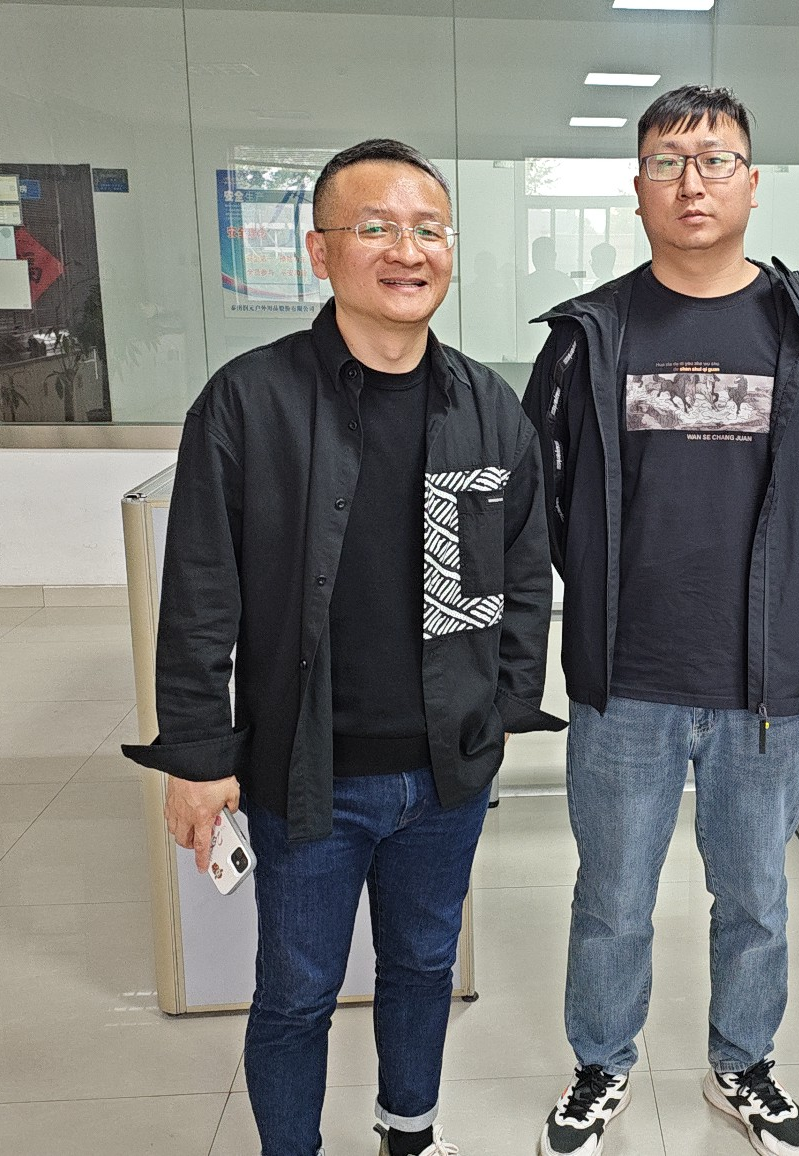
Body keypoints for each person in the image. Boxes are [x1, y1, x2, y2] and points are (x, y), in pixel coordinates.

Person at [124, 138, 563, 1156]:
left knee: (423, 966)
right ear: (320, 253)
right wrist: (197, 756)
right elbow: (199, 597)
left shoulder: (485, 406)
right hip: (305, 774)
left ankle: (411, 1132)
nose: (408, 250)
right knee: (296, 992)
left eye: (428, 229)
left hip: (444, 773)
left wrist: (500, 710)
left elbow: (521, 576)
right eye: (375, 228)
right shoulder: (250, 402)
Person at [523, 85, 799, 1156]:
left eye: (716, 159)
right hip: (625, 676)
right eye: (668, 161)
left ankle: (744, 1063)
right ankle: (601, 1062)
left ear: (752, 183)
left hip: (761, 682)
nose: (693, 181)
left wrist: (786, 597)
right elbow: (549, 498)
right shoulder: (589, 335)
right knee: (613, 896)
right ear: (637, 187)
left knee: (757, 896)